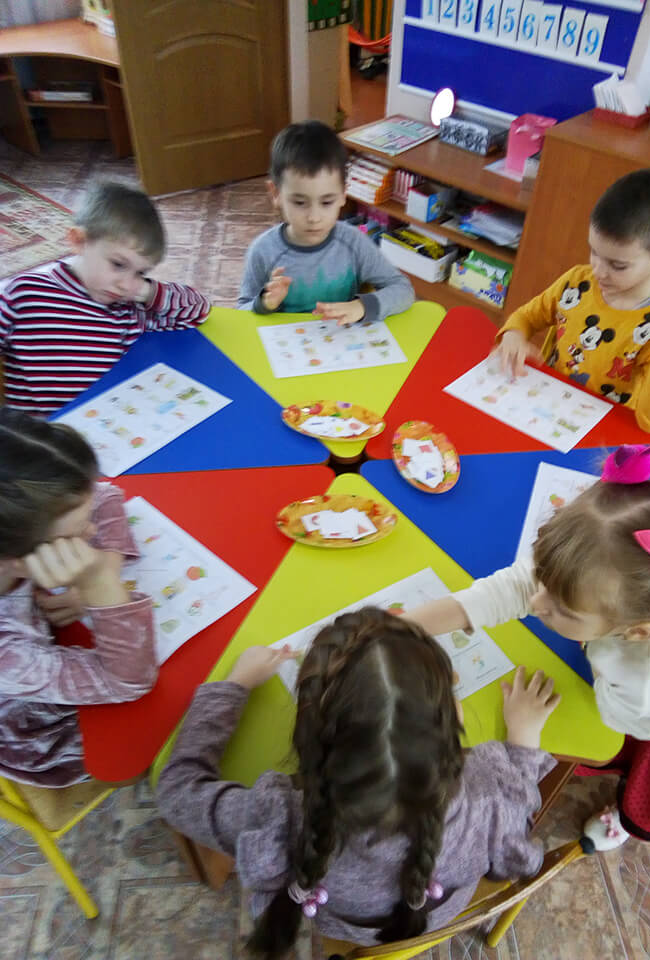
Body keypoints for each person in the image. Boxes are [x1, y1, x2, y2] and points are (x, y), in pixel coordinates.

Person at [156, 607, 560, 954]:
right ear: (453, 716)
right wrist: (523, 739)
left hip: (347, 929)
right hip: (444, 913)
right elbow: (514, 848)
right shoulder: (489, 797)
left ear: (309, 737)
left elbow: (176, 792)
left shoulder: (277, 820)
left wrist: (234, 686)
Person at [404, 443, 650, 850]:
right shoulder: (610, 567)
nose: (536, 604)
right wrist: (408, 625)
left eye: (562, 609)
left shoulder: (643, 687)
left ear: (636, 632)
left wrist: (589, 672)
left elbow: (614, 720)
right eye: (545, 584)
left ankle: (627, 814)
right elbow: (518, 587)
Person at [0, 408, 158, 786]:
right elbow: (129, 681)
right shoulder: (7, 653)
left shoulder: (26, 514)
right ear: (14, 559)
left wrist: (109, 565)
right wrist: (97, 582)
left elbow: (106, 496)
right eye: (75, 534)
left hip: (56, 644)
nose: (91, 532)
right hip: (44, 733)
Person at [494, 169, 650, 432]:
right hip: (545, 406)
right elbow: (528, 316)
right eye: (594, 252)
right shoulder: (578, 280)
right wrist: (514, 334)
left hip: (602, 430)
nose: (598, 271)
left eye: (618, 265)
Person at [0, 180, 211, 416]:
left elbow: (197, 310)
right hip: (35, 435)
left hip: (106, 426)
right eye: (118, 264)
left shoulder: (127, 308)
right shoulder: (24, 293)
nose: (125, 284)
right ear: (79, 241)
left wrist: (147, 291)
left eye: (140, 273)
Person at [237, 121, 414, 326]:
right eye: (300, 203)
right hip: (282, 341)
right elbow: (241, 311)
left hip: (342, 340)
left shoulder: (355, 243)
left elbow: (403, 290)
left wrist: (362, 306)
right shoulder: (263, 250)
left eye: (327, 202)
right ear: (276, 194)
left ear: (343, 194)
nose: (314, 217)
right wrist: (264, 303)